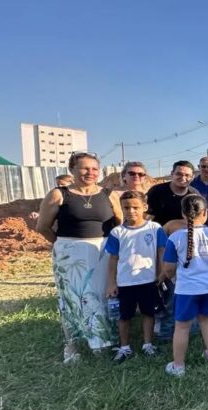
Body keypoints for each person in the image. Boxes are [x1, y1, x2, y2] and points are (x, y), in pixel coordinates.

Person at [36, 152, 122, 363]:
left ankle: (101, 342)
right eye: (84, 168)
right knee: (71, 299)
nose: (90, 173)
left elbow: (119, 222)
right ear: (72, 170)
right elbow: (42, 227)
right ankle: (72, 345)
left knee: (102, 296)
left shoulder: (109, 194)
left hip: (102, 251)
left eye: (94, 169)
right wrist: (63, 244)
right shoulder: (59, 194)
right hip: (69, 253)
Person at [161, 195, 208, 377]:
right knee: (207, 319)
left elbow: (168, 268)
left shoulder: (175, 238)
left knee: (182, 326)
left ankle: (178, 365)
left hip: (187, 289)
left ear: (183, 213)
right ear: (205, 213)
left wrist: (171, 278)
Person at [105, 191, 167, 363]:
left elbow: (161, 252)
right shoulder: (117, 232)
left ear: (144, 207)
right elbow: (113, 259)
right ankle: (125, 347)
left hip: (149, 281)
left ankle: (147, 345)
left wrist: (162, 273)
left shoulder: (155, 228)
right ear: (121, 208)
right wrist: (111, 282)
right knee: (124, 316)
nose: (131, 211)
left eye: (135, 207)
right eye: (126, 207)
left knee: (149, 313)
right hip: (125, 282)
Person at [145, 161, 200, 226]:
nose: (183, 178)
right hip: (160, 233)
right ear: (172, 174)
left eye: (187, 175)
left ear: (192, 177)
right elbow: (147, 218)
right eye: (179, 174)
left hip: (185, 234)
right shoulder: (156, 191)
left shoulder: (194, 194)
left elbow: (198, 219)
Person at [191, 156, 208, 224]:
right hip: (196, 222)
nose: (206, 169)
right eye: (203, 166)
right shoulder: (191, 184)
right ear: (199, 167)